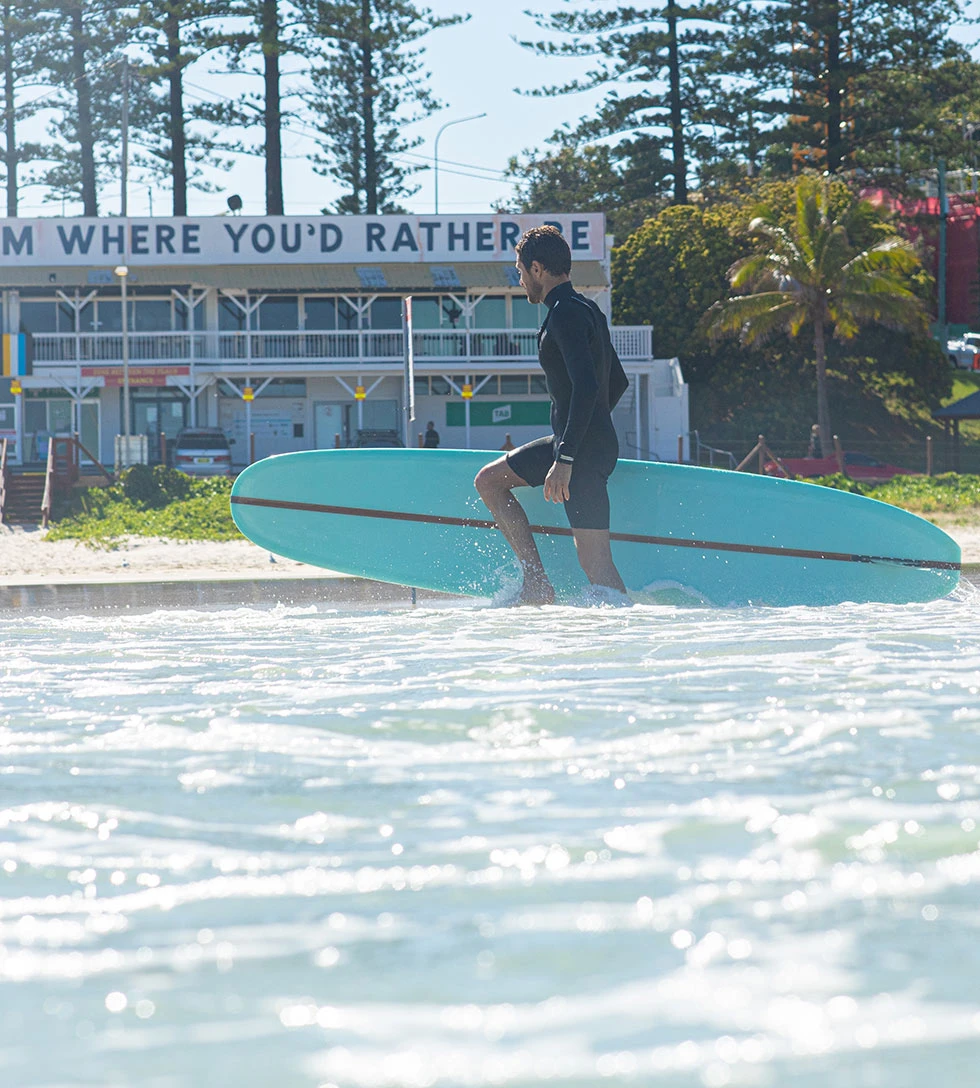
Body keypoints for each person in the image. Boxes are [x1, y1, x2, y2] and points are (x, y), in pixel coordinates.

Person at [474, 225, 629, 605]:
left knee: (597, 566)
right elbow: (618, 382)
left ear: (538, 269)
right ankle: (536, 584)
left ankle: (629, 636)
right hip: (577, 444)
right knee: (490, 481)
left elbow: (588, 387)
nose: (521, 279)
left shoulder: (564, 315)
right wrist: (581, 437)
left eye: (521, 270)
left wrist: (569, 456)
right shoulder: (587, 308)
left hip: (579, 453)